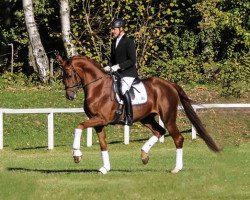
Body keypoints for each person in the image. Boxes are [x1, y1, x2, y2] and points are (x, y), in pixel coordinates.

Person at [104, 18, 138, 126]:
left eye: (114, 29)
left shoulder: (129, 42)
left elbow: (132, 60)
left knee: (123, 89)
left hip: (128, 73)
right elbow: (113, 59)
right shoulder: (114, 42)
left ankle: (129, 117)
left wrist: (118, 66)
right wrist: (109, 66)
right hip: (117, 73)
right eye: (112, 29)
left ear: (121, 29)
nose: (112, 31)